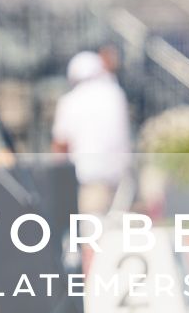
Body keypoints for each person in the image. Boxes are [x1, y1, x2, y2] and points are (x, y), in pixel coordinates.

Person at [51, 51, 133, 215]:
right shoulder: (116, 94)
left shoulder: (71, 101)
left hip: (90, 179)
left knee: (92, 234)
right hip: (123, 177)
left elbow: (60, 144)